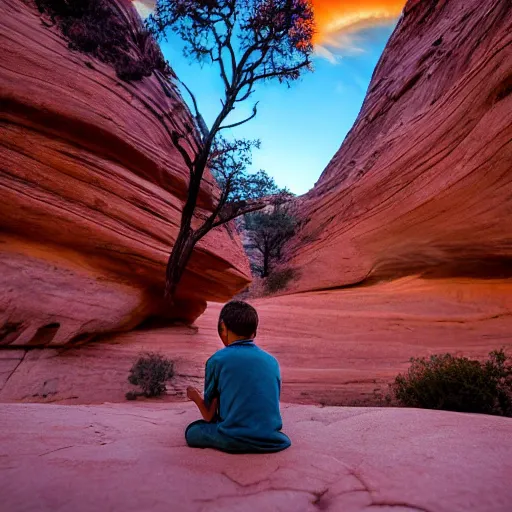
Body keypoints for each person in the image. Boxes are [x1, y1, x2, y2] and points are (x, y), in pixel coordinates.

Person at [185, 300, 291, 453]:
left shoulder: (217, 360)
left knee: (192, 431)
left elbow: (209, 416)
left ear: (222, 327)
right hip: (271, 439)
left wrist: (195, 397)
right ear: (254, 332)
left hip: (233, 437)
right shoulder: (272, 361)